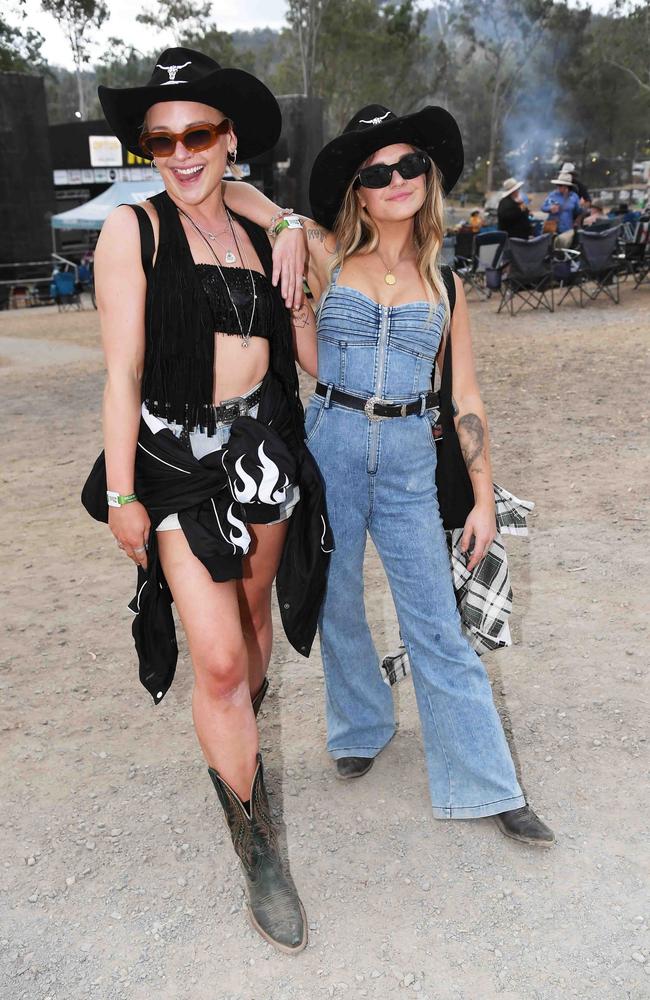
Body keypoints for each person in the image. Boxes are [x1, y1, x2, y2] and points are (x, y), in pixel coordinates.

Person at [81, 47, 334, 954]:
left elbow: (306, 357)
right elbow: (120, 373)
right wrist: (120, 492)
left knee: (257, 622)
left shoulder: (265, 230)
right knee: (221, 659)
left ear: (229, 138)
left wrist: (296, 238)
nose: (180, 153)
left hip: (264, 451)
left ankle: (238, 749)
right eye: (160, 140)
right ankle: (260, 848)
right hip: (175, 463)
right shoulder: (133, 232)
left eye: (197, 133)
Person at [295, 104, 554, 846]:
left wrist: (482, 501)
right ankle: (360, 727)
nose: (397, 178)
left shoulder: (446, 287)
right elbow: (252, 201)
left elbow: (465, 397)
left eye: (410, 164)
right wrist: (286, 231)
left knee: (437, 623)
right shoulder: (326, 255)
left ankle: (487, 782)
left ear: (428, 177)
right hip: (331, 441)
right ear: (359, 191)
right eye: (378, 172)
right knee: (335, 599)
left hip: (411, 453)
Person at [541, 172, 581, 248]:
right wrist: (550, 208)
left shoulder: (574, 197)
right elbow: (543, 207)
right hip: (553, 228)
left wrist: (581, 208)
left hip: (567, 229)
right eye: (557, 185)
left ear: (567, 186)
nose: (558, 187)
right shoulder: (552, 195)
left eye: (560, 185)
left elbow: (577, 211)